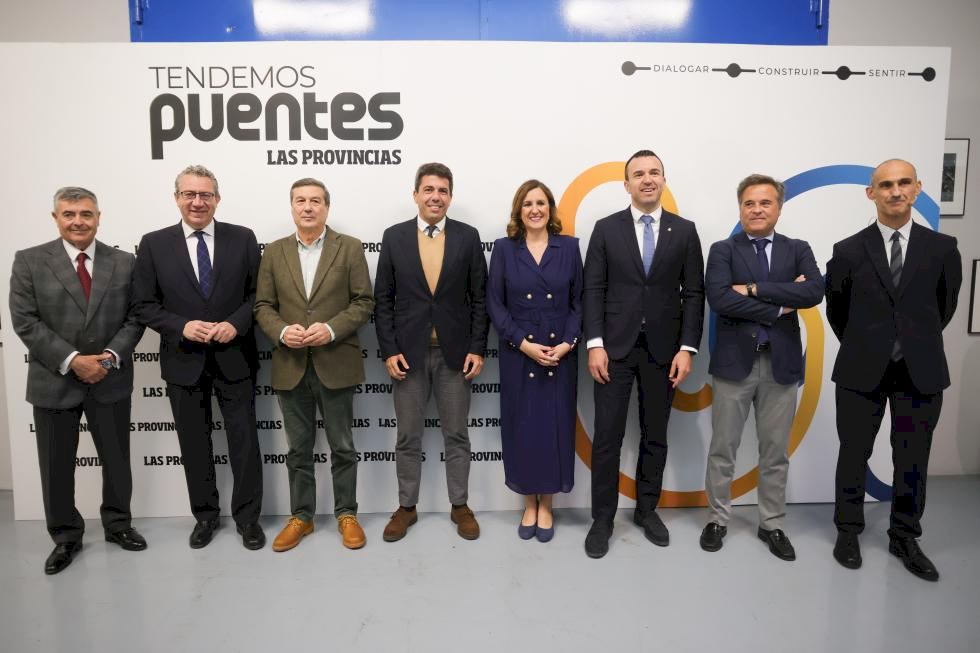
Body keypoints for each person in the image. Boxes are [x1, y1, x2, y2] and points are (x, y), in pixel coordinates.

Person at [825, 159, 961, 582]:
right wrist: (873, 344)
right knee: (853, 454)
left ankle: (904, 536)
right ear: (872, 193)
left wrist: (910, 343)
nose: (895, 191)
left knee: (913, 459)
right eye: (885, 185)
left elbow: (944, 307)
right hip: (860, 369)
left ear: (918, 188)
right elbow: (837, 312)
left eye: (904, 183)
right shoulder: (848, 250)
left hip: (920, 370)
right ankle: (848, 531)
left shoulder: (943, 248)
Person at [9, 186, 146, 574]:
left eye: (86, 214)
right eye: (69, 214)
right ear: (56, 218)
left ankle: (118, 525)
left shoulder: (125, 262)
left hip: (109, 377)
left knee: (116, 460)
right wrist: (73, 361)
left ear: (99, 217)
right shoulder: (29, 261)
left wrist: (109, 357)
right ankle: (65, 536)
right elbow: (25, 321)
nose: (78, 221)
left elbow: (136, 316)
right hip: (54, 381)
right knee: (56, 466)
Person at [133, 165, 265, 550]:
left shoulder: (243, 238)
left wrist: (235, 324)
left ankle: (248, 519)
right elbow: (143, 305)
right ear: (177, 198)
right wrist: (182, 326)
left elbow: (258, 295)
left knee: (244, 442)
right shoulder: (154, 244)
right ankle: (205, 516)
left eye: (205, 194)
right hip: (183, 360)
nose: (197, 201)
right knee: (193, 443)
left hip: (235, 358)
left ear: (217, 199)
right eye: (189, 194)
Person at [582, 149, 705, 558]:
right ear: (627, 184)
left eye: (654, 172)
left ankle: (647, 510)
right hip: (613, 350)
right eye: (639, 174)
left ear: (664, 180)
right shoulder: (606, 229)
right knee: (607, 438)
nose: (647, 179)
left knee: (656, 435)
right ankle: (603, 519)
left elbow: (695, 293)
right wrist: (595, 344)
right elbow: (593, 289)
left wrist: (687, 348)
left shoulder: (684, 231)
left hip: (664, 351)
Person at [700, 174, 823, 560]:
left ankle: (772, 523)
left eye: (765, 203)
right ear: (740, 208)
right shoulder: (723, 250)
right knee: (723, 448)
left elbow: (813, 291)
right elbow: (721, 299)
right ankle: (718, 519)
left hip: (781, 364)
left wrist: (754, 289)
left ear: (779, 208)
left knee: (775, 452)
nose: (756, 209)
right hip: (734, 365)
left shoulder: (797, 248)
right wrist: (783, 303)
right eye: (749, 203)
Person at [254, 178, 374, 551]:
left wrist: (331, 329)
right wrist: (281, 331)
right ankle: (302, 517)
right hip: (290, 365)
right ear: (292, 207)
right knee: (298, 450)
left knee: (343, 446)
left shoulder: (350, 247)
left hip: (336, 363)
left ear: (326, 207)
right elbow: (263, 306)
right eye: (301, 200)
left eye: (316, 201)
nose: (308, 207)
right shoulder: (274, 252)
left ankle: (347, 514)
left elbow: (363, 302)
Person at [374, 162, 489, 542]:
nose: (435, 197)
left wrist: (477, 348)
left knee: (457, 434)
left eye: (442, 190)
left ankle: (460, 506)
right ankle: (407, 508)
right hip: (408, 356)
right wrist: (389, 350)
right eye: (428, 189)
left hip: (455, 356)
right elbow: (383, 299)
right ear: (415, 195)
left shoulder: (468, 237)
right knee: (408, 436)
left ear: (450, 197)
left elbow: (480, 298)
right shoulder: (394, 237)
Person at [486, 180, 582, 542]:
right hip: (519, 353)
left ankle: (548, 505)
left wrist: (569, 343)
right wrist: (522, 343)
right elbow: (495, 303)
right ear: (519, 210)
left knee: (555, 427)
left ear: (550, 208)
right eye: (528, 204)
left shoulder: (569, 247)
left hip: (560, 354)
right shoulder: (504, 248)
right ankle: (529, 502)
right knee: (522, 428)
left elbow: (579, 302)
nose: (535, 209)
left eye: (541, 203)